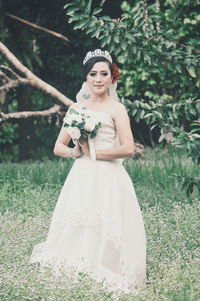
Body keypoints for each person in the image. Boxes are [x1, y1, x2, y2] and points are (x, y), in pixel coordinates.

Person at [30, 49, 146, 294]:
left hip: (110, 175)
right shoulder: (76, 109)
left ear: (111, 78)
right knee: (81, 219)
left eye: (104, 73)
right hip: (82, 175)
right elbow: (58, 147)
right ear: (86, 77)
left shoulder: (117, 109)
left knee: (107, 220)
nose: (98, 79)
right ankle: (81, 270)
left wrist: (95, 154)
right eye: (93, 74)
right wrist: (76, 152)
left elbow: (127, 148)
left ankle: (107, 269)